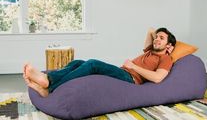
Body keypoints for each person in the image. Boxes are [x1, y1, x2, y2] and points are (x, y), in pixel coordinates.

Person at [23, 27, 176, 97]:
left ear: (169, 45)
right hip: (123, 71)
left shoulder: (165, 58)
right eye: (157, 37)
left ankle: (50, 88)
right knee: (78, 62)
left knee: (92, 64)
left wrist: (133, 66)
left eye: (161, 38)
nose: (156, 39)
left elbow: (158, 78)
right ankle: (48, 80)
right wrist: (160, 36)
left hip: (130, 78)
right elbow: (150, 30)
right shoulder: (150, 51)